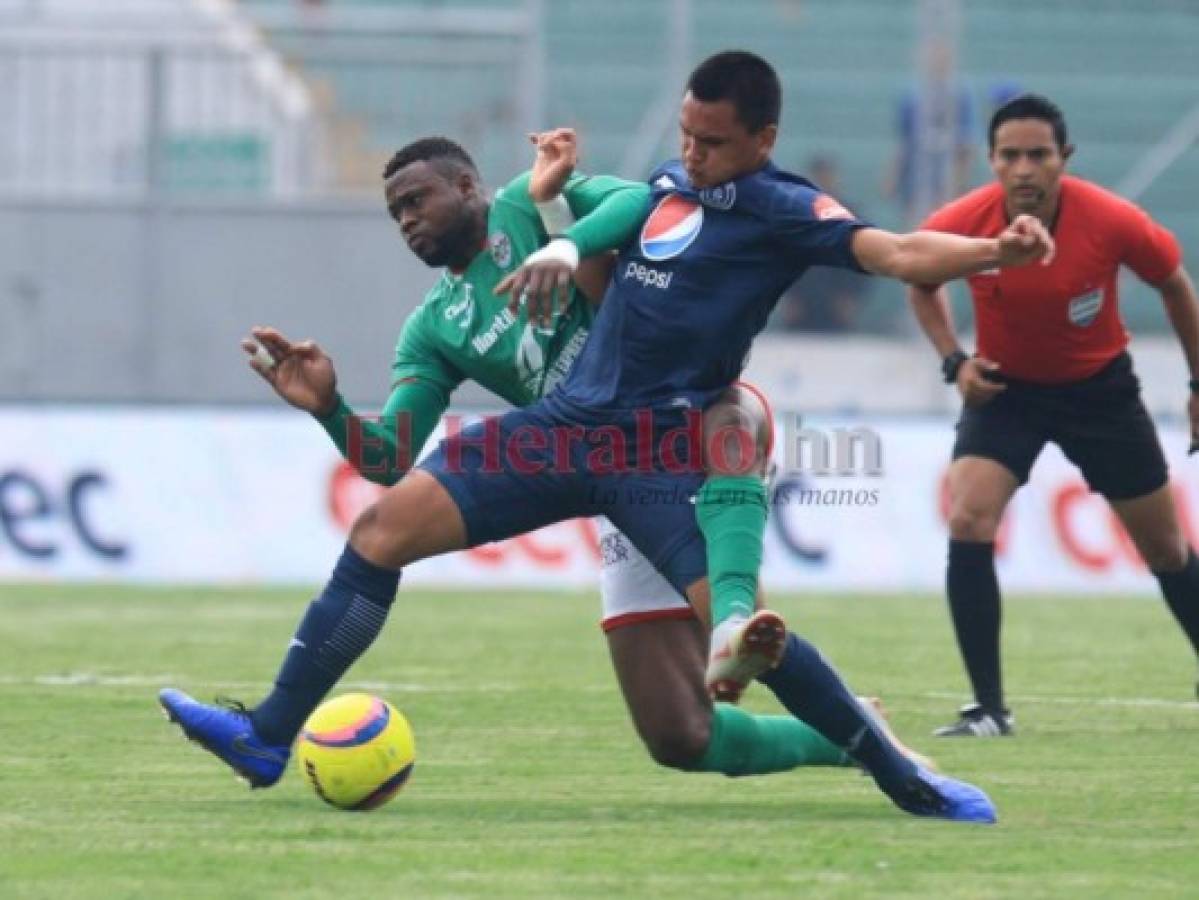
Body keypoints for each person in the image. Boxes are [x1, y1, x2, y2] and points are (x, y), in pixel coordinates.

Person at [161, 51, 1054, 823]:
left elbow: (897, 253)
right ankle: (268, 735)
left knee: (737, 431)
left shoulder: (773, 209)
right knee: (661, 725)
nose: (689, 154)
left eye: (709, 140)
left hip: (671, 446)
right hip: (564, 435)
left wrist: (993, 255)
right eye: (684, 134)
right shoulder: (464, 306)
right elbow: (628, 213)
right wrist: (326, 404)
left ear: (761, 140)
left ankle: (888, 764)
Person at [235, 129, 884, 778]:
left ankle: (878, 752)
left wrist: (568, 239)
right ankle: (839, 735)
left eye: (416, 200)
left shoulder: (529, 202)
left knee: (736, 626)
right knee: (678, 735)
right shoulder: (432, 327)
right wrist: (329, 408)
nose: (406, 219)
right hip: (596, 468)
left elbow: (646, 206)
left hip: (673, 437)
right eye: (394, 212)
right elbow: (388, 458)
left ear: (466, 187)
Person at [907, 94, 1199, 737]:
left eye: (1038, 154)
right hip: (1007, 392)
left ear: (1064, 159)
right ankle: (989, 709)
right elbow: (919, 279)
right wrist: (955, 362)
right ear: (990, 160)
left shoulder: (1113, 220)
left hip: (1101, 393)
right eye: (1009, 155)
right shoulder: (964, 221)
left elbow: (1176, 285)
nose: (1023, 169)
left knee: (1167, 547)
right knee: (968, 515)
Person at [773, 155, 873, 332]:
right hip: (801, 305)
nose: (823, 182)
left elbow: (867, 257)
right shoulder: (792, 215)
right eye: (818, 177)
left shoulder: (850, 215)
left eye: (826, 177)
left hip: (837, 304)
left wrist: (851, 297)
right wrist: (788, 297)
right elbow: (779, 257)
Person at [883, 37, 976, 226]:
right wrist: (893, 176)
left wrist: (959, 181)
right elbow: (904, 140)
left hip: (946, 177)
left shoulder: (960, 93)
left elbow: (967, 142)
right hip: (915, 178)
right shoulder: (912, 94)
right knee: (915, 229)